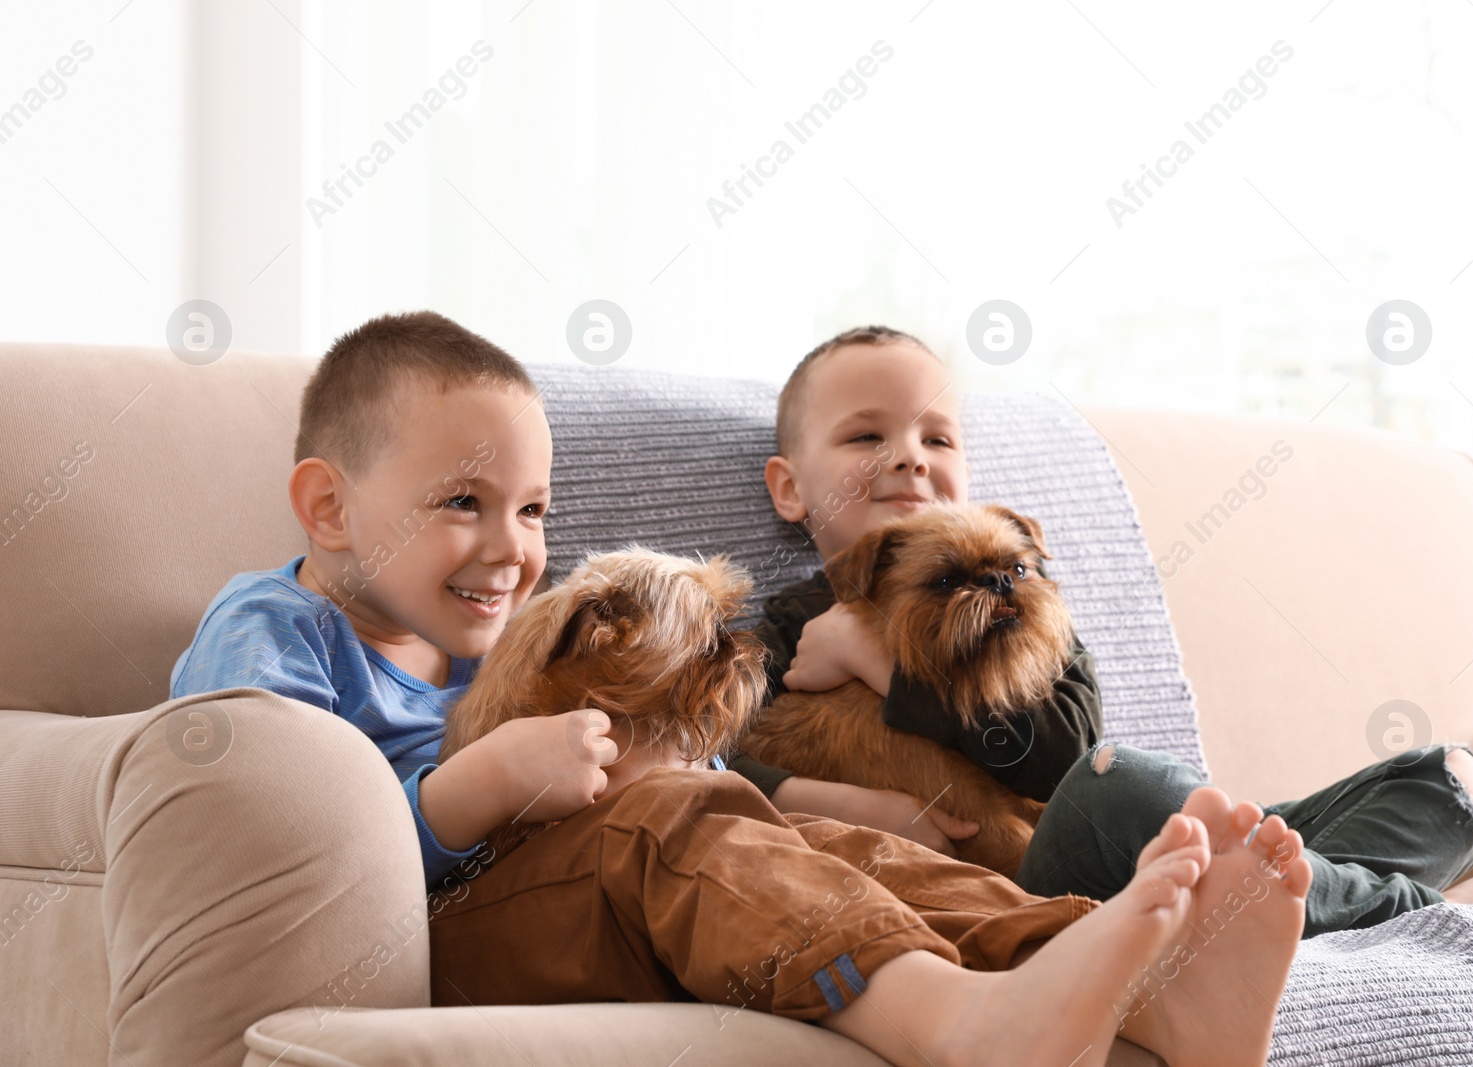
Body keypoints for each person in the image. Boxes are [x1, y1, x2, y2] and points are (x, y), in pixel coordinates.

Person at [168, 310, 1312, 1067]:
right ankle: (963, 1026)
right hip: (438, 934)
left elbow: (700, 795)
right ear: (325, 507)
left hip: (591, 895)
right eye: (462, 501)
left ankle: (1139, 980)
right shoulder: (277, 634)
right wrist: (476, 785)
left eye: (533, 510)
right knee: (676, 825)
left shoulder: (496, 644)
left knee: (809, 841)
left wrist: (716, 775)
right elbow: (272, 852)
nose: (512, 547)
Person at [729, 324, 1473, 935]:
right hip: (1024, 890)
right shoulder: (799, 617)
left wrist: (883, 667)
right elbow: (711, 763)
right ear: (790, 489)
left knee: (1452, 782)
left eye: (938, 435)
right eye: (866, 435)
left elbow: (1061, 750)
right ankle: (1440, 917)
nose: (911, 455)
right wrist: (837, 803)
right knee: (1123, 786)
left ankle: (1257, 906)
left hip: (1133, 836)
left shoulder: (1033, 610)